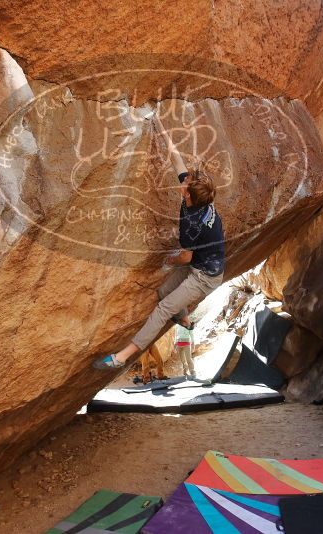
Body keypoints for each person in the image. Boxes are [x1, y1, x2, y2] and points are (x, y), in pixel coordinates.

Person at [93, 117, 225, 370]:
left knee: (163, 308)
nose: (183, 180)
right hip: (200, 262)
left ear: (187, 193)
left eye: (185, 183)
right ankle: (185, 320)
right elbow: (177, 161)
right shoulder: (199, 199)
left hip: (206, 276)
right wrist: (162, 130)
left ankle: (121, 357)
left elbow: (185, 257)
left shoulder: (193, 223)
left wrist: (170, 259)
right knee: (164, 292)